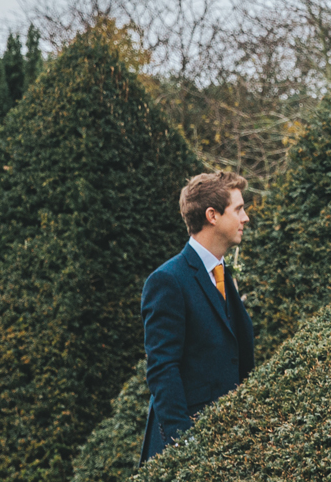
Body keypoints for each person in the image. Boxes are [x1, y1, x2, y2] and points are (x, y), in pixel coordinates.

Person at [140, 171, 256, 462]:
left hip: (228, 442)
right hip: (188, 450)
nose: (246, 219)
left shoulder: (223, 274)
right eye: (239, 209)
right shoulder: (168, 281)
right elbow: (162, 369)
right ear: (212, 215)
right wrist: (188, 445)